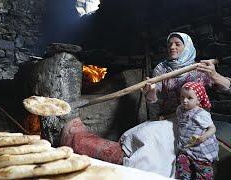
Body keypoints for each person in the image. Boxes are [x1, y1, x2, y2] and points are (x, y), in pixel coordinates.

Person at [61, 32, 230, 178]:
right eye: (169, 44)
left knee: (150, 137)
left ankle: (136, 169)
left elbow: (227, 87)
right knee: (138, 132)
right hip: (170, 118)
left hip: (194, 123)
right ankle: (106, 151)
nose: (172, 47)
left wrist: (215, 76)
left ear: (187, 47)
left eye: (178, 44)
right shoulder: (162, 69)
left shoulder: (200, 68)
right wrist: (151, 91)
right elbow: (152, 101)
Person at [175, 82, 218, 179]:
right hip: (186, 147)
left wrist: (203, 137)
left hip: (200, 148)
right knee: (181, 162)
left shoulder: (201, 114)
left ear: (198, 100)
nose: (184, 101)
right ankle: (184, 177)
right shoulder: (180, 109)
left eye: (189, 98)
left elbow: (212, 128)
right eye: (182, 97)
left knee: (203, 170)